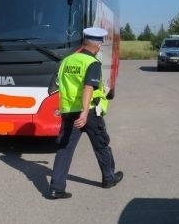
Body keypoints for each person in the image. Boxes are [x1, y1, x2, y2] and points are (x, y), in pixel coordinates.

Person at [49, 27, 123, 199]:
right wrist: (84, 113)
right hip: (87, 113)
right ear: (97, 45)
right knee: (101, 145)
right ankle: (108, 178)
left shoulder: (67, 60)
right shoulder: (92, 63)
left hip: (68, 112)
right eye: (100, 44)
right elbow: (88, 87)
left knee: (64, 149)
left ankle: (56, 188)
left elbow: (56, 85)